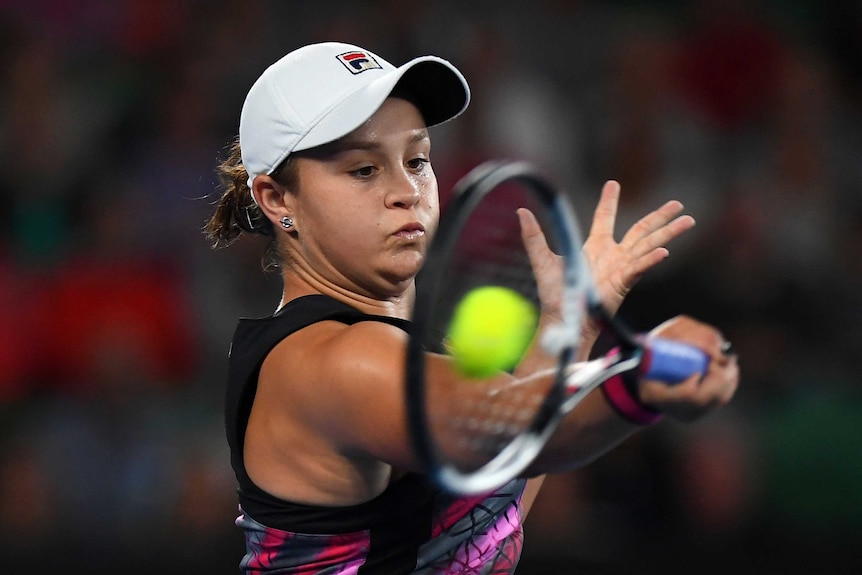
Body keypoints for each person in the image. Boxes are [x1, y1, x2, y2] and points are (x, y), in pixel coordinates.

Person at [205, 42, 738, 574]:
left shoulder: (390, 353)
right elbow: (493, 426)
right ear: (277, 198)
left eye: (417, 160)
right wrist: (639, 375)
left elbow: (485, 520)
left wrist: (570, 322)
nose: (407, 191)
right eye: (364, 170)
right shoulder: (329, 361)